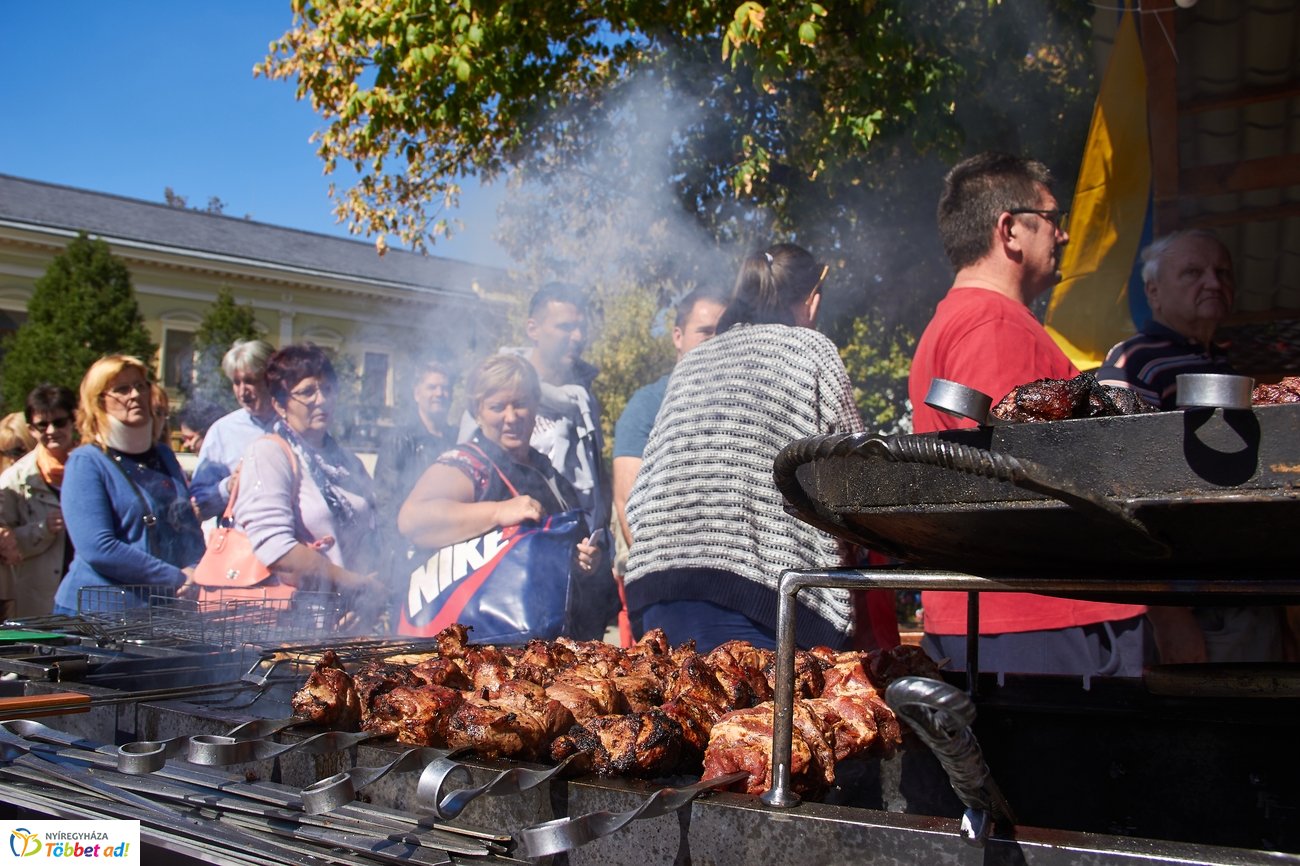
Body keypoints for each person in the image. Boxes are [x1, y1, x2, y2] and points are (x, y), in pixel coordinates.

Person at [907, 151, 1148, 676]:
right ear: (1010, 229)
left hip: (1010, 615)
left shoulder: (959, 320)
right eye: (1054, 220)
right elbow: (1016, 476)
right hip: (1041, 617)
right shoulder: (993, 322)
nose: (1062, 236)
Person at [625, 243, 872, 653]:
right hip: (758, 596)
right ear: (811, 300)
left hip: (657, 586)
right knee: (760, 717)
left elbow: (644, 490)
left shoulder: (692, 361)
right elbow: (859, 485)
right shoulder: (812, 351)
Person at [1097, 229, 1286, 662]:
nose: (1215, 284)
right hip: (1197, 611)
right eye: (1193, 273)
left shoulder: (1220, 363)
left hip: (1246, 599)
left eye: (1222, 272)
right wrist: (1168, 614)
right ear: (1154, 292)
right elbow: (1117, 488)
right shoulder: (1133, 361)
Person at [400, 354, 602, 631]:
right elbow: (413, 519)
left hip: (544, 644)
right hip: (475, 643)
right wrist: (498, 512)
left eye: (520, 404)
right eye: (497, 407)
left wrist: (582, 560)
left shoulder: (548, 472)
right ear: (478, 412)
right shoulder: (469, 462)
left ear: (535, 405)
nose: (511, 417)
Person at [233, 343, 383, 623]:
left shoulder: (348, 462)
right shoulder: (269, 453)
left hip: (347, 622)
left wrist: (367, 596)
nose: (321, 399)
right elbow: (276, 549)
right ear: (279, 403)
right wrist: (353, 584)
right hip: (293, 625)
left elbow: (372, 535)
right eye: (307, 392)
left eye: (327, 389)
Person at [55, 355, 204, 616]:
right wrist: (174, 577)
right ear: (99, 401)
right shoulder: (86, 461)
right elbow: (98, 547)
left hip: (161, 611)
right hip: (96, 617)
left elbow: (186, 522)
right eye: (122, 389)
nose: (135, 395)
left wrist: (196, 568)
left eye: (140, 386)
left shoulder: (163, 455)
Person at [611, 287, 728, 551]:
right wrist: (650, 568)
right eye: (705, 332)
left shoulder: (735, 405)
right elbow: (626, 502)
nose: (716, 340)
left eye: (723, 332)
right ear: (678, 336)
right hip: (663, 570)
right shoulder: (647, 405)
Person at [0, 385, 78, 618]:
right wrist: (43, 529)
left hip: (86, 594)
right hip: (40, 601)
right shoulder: (15, 479)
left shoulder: (93, 467)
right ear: (31, 429)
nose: (52, 431)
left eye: (60, 422)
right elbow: (6, 549)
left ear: (73, 420)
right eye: (42, 425)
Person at [191, 339, 278, 519]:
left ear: (271, 379)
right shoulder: (223, 431)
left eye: (250, 381)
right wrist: (229, 486)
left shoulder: (295, 424)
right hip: (242, 541)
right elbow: (198, 502)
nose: (242, 391)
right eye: (236, 382)